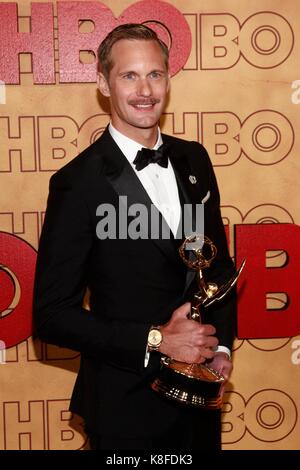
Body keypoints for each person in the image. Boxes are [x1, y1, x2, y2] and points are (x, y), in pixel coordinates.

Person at [33, 23, 237, 451]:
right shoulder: (78, 183)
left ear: (168, 78)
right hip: (126, 408)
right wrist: (157, 339)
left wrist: (221, 351)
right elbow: (51, 314)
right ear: (103, 84)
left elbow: (217, 266)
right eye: (129, 76)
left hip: (199, 400)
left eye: (155, 75)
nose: (145, 90)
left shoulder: (193, 158)